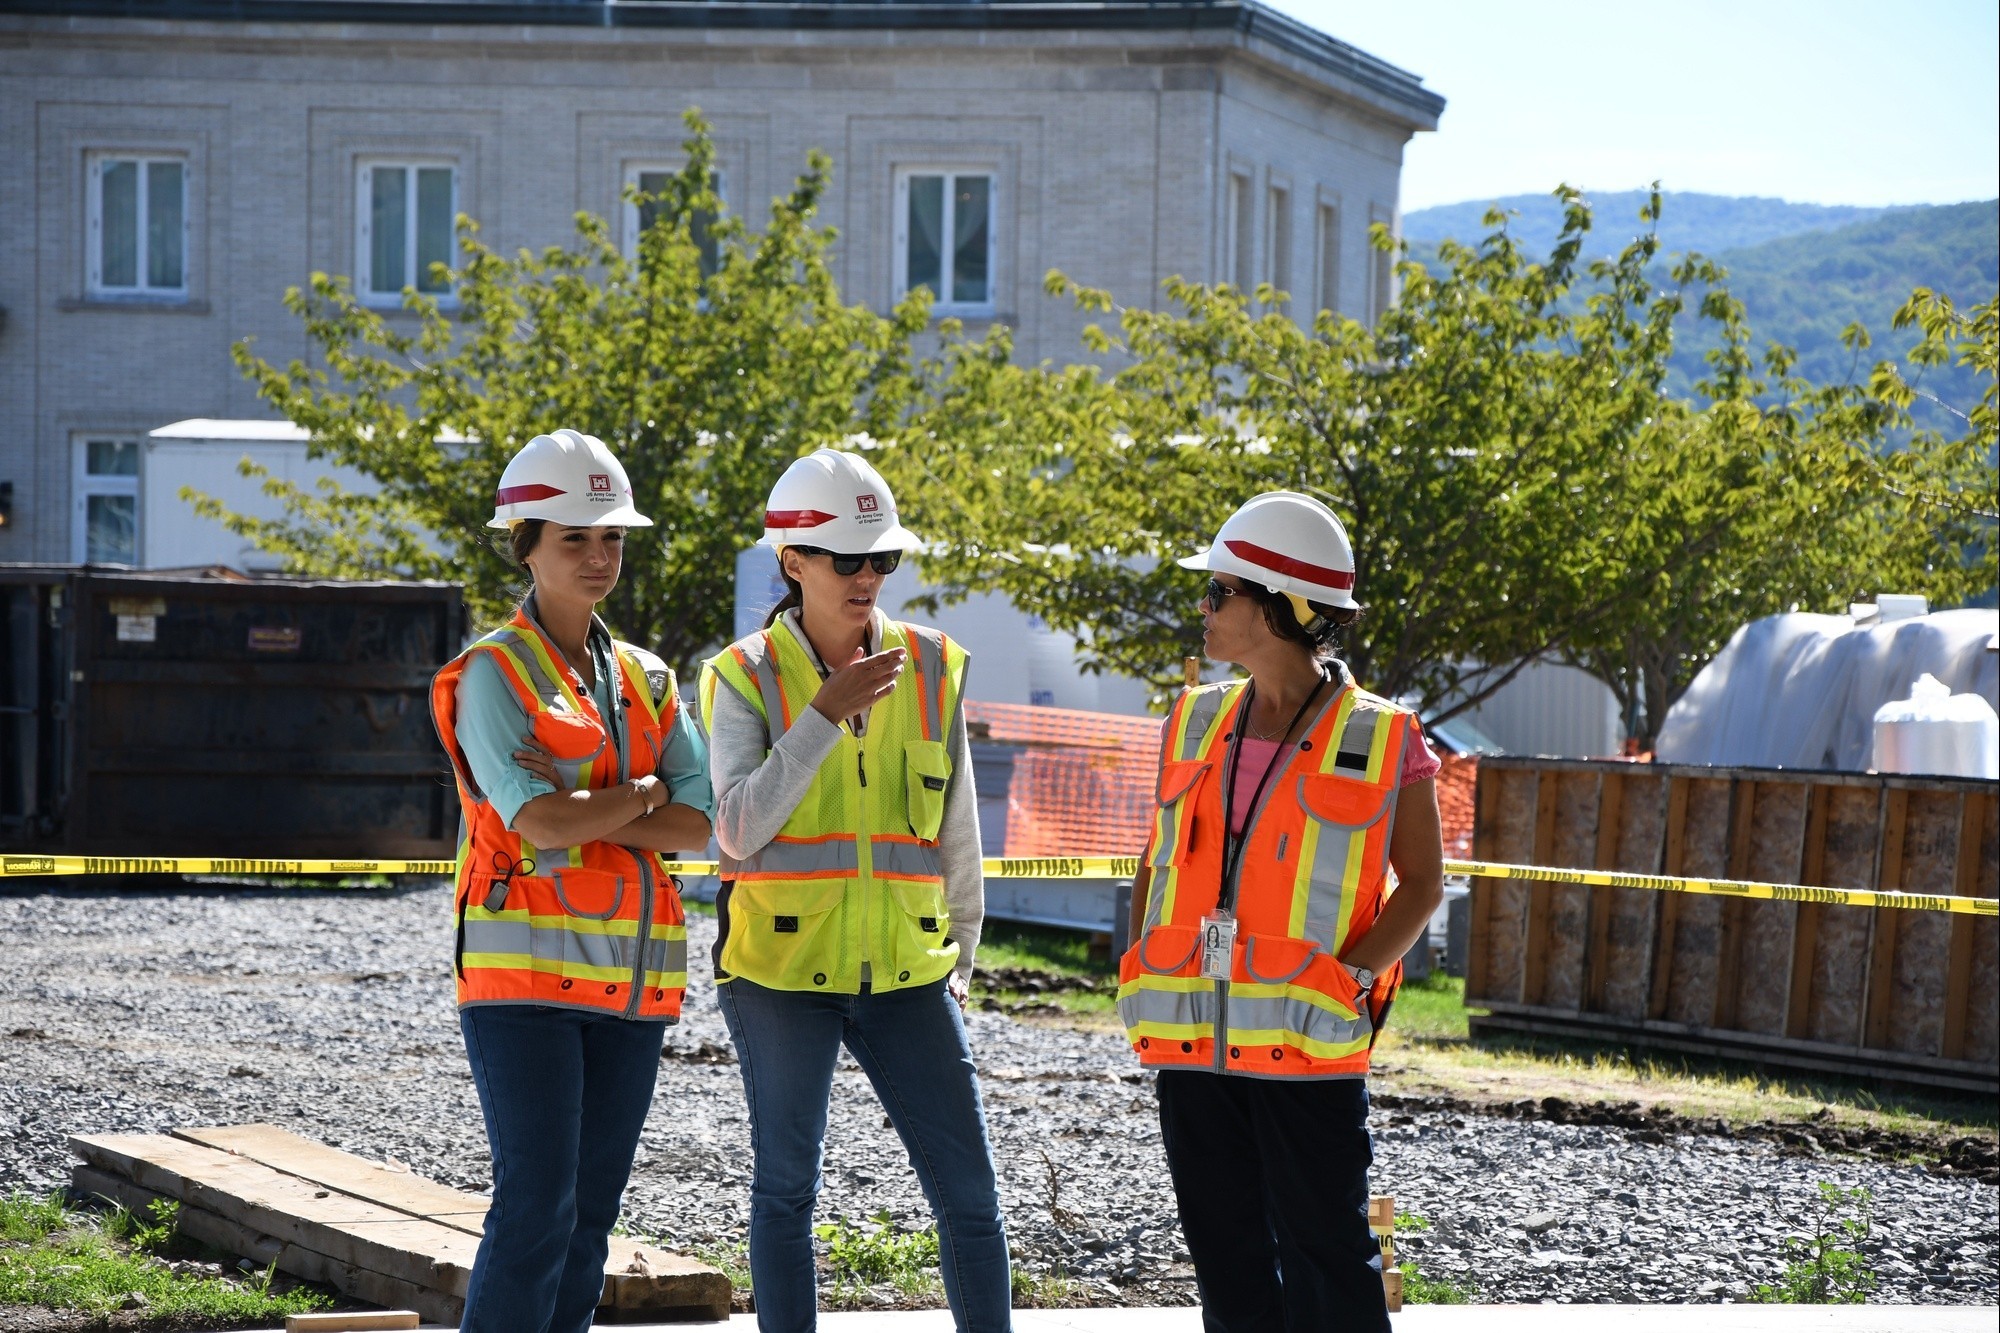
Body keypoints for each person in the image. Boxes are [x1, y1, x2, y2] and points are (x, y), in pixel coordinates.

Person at [699, 448, 1012, 1333]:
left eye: (885, 558)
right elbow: (736, 828)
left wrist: (963, 956)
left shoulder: (935, 663)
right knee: (786, 1191)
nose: (870, 575)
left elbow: (957, 830)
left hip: (913, 974)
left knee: (971, 1197)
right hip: (781, 973)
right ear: (792, 561)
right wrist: (823, 717)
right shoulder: (743, 673)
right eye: (849, 558)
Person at [1117, 491, 1445, 1333]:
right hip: (1195, 1042)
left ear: (1280, 607)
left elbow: (1422, 885)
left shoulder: (1381, 736)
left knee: (1327, 1255)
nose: (1205, 606)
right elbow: (1159, 860)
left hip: (1307, 1049)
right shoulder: (1192, 720)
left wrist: (1350, 980)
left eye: (1219, 591)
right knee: (1224, 1256)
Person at [429, 428, 714, 1333]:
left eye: (612, 538)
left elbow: (700, 823)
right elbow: (537, 821)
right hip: (524, 986)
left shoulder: (647, 676)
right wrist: (641, 789)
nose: (599, 556)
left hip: (631, 985)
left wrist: (592, 801)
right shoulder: (492, 674)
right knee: (537, 1206)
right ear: (525, 546)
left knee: (589, 1218)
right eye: (574, 539)